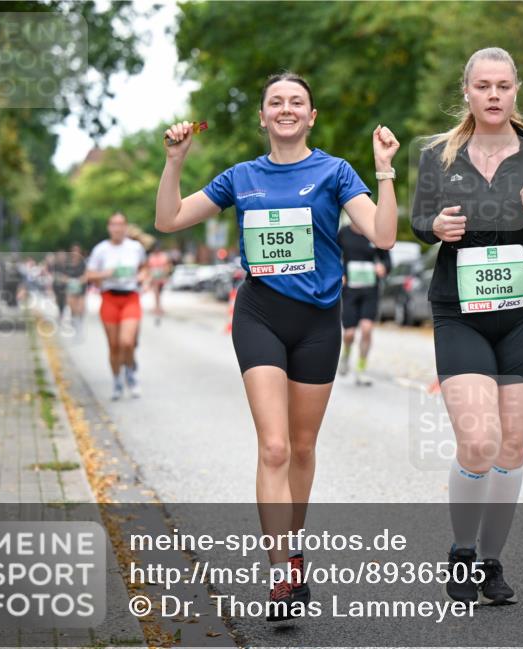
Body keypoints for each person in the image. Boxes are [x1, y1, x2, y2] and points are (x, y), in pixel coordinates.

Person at [155, 72, 399, 620]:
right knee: (274, 447)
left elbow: (383, 236)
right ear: (263, 117)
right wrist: (175, 161)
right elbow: (167, 220)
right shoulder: (241, 177)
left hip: (318, 321)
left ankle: (293, 545)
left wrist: (384, 169)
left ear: (311, 116)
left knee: (304, 448)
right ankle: (282, 573)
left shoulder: (335, 171)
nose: (286, 109)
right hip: (260, 314)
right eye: (275, 102)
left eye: (297, 102)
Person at [411, 47, 523, 605]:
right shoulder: (440, 154)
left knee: (512, 445)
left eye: (503, 85)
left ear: (516, 90)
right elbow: (418, 223)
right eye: (483, 86)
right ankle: (461, 549)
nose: (494, 95)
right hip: (460, 311)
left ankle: (491, 562)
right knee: (478, 441)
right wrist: (436, 227)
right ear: (467, 92)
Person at [85, 212, 147, 400]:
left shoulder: (135, 248)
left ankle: (130, 373)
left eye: (121, 224)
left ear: (126, 227)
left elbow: (144, 267)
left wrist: (143, 276)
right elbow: (89, 275)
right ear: (109, 227)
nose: (117, 228)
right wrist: (105, 274)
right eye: (113, 224)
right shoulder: (101, 250)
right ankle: (117, 381)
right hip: (109, 298)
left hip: (130, 297)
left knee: (127, 342)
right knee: (113, 346)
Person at [337, 216, 391, 385]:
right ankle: (345, 355)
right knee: (349, 333)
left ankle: (361, 370)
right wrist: (340, 274)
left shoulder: (373, 233)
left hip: (370, 289)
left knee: (367, 329)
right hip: (350, 290)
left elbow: (387, 260)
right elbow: (332, 255)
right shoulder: (343, 233)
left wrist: (383, 268)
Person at [146, 245, 172, 324]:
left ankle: (159, 307)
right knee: (156, 293)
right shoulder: (151, 256)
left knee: (159, 293)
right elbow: (148, 267)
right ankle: (157, 307)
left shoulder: (164, 256)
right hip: (154, 278)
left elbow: (168, 266)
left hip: (162, 278)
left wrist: (165, 274)